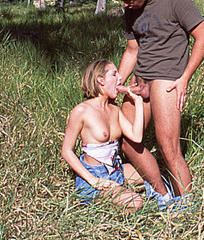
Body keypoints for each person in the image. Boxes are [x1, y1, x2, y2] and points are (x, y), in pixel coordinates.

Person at [108, 0, 204, 204]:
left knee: (168, 147)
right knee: (126, 141)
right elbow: (132, 51)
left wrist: (184, 77)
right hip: (140, 79)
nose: (125, 4)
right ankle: (163, 195)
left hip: (167, 79)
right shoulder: (131, 8)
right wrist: (117, 83)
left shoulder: (176, 1)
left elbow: (203, 38)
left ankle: (187, 206)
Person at [61, 59, 145, 211]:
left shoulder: (114, 110)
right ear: (100, 80)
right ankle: (96, 199)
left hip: (116, 170)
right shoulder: (81, 111)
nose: (120, 78)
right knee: (136, 202)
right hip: (94, 175)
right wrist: (93, 180)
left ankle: (119, 191)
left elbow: (136, 136)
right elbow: (66, 151)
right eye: (114, 74)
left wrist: (138, 101)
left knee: (155, 175)